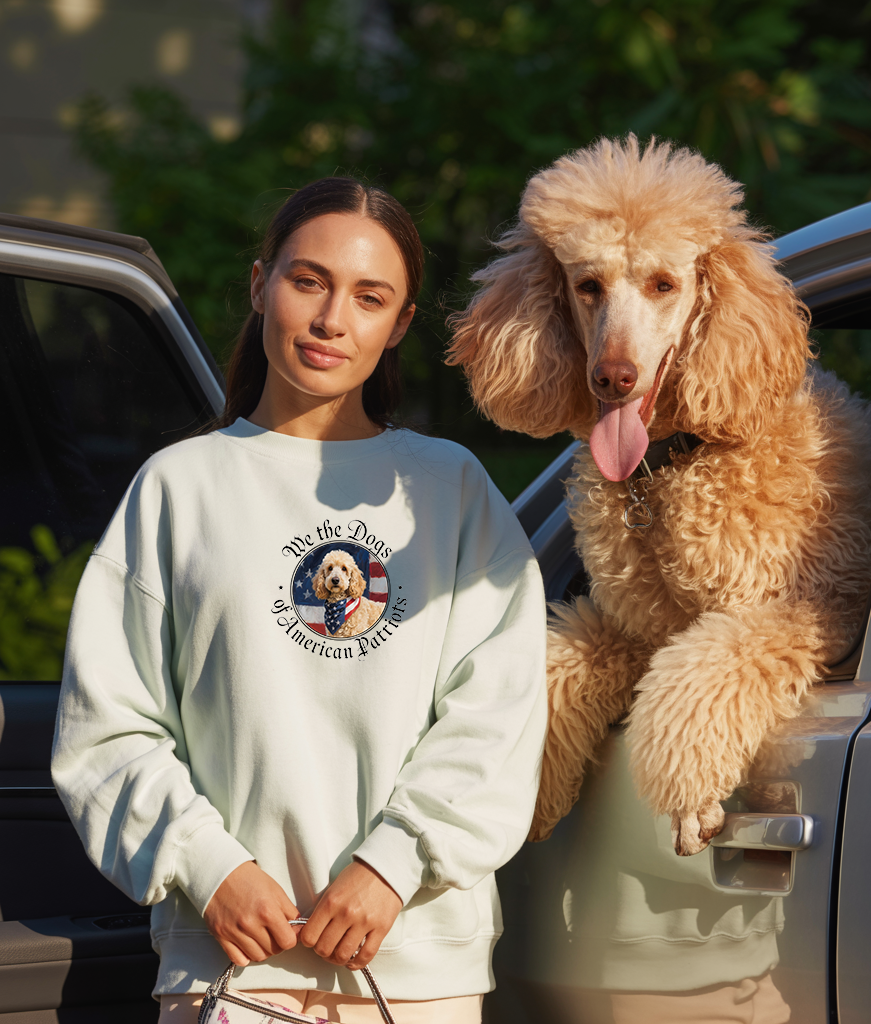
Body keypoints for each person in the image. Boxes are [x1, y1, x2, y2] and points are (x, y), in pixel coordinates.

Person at [51, 177, 548, 1023]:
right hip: (230, 970)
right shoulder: (179, 486)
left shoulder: (450, 489)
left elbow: (499, 715)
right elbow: (107, 725)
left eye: (368, 297)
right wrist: (207, 867)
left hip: (416, 969)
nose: (330, 320)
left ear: (398, 325)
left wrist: (393, 864)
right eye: (307, 281)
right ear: (260, 284)